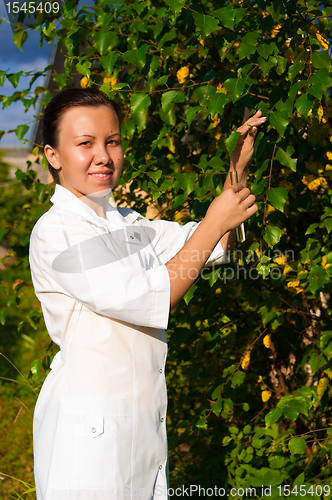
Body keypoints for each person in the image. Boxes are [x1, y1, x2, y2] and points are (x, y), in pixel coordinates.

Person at [29, 88, 266, 500]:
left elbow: (204, 246)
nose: (102, 155)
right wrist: (213, 223)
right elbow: (149, 295)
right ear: (53, 155)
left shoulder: (127, 224)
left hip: (141, 433)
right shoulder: (56, 232)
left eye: (112, 141)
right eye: (85, 143)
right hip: (89, 441)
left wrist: (237, 169)